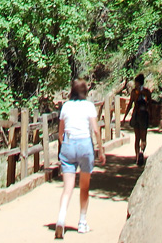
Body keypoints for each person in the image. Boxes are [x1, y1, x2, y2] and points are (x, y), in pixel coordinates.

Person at [55, 78, 106, 237]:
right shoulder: (89, 106)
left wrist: (66, 146)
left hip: (69, 145)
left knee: (67, 188)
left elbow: (60, 133)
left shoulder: (66, 106)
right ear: (85, 91)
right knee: (84, 187)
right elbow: (96, 131)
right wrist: (101, 150)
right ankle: (82, 222)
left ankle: (61, 220)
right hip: (85, 145)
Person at [123, 73, 152, 165]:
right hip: (144, 115)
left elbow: (130, 104)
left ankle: (136, 157)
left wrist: (125, 116)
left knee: (137, 137)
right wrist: (151, 116)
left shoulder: (134, 92)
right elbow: (150, 105)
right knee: (144, 137)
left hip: (136, 114)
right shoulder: (147, 92)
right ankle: (142, 153)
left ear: (137, 82)